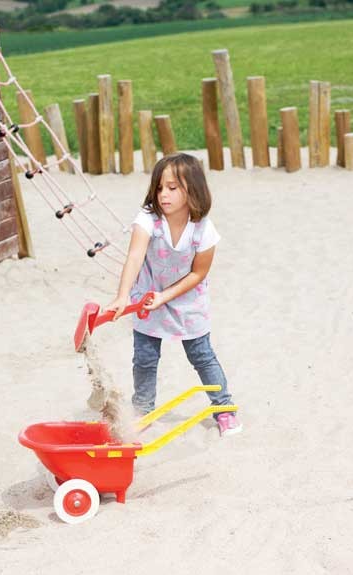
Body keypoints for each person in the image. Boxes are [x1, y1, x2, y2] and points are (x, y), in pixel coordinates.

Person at [106, 153, 242, 437]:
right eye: (159, 187)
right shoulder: (147, 219)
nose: (163, 194)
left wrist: (165, 296)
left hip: (187, 300)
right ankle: (143, 410)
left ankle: (224, 409)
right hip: (146, 298)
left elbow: (198, 274)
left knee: (202, 356)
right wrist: (122, 296)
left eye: (172, 187)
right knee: (144, 358)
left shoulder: (204, 229)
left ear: (192, 189)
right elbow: (134, 256)